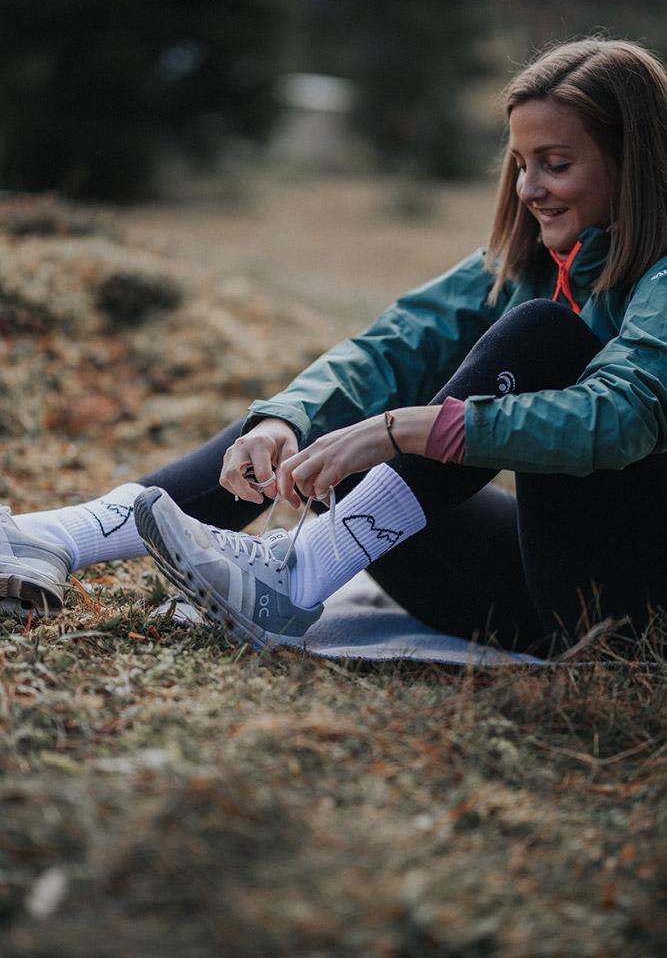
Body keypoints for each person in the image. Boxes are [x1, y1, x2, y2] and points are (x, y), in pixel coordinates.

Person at [3, 38, 667, 656]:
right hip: (533, 598)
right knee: (341, 446)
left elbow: (622, 415)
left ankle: (296, 575)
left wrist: (401, 430)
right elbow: (391, 348)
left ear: (632, 162)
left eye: (555, 165)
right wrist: (284, 419)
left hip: (635, 608)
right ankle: (54, 536)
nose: (527, 189)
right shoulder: (528, 261)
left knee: (539, 339)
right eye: (521, 165)